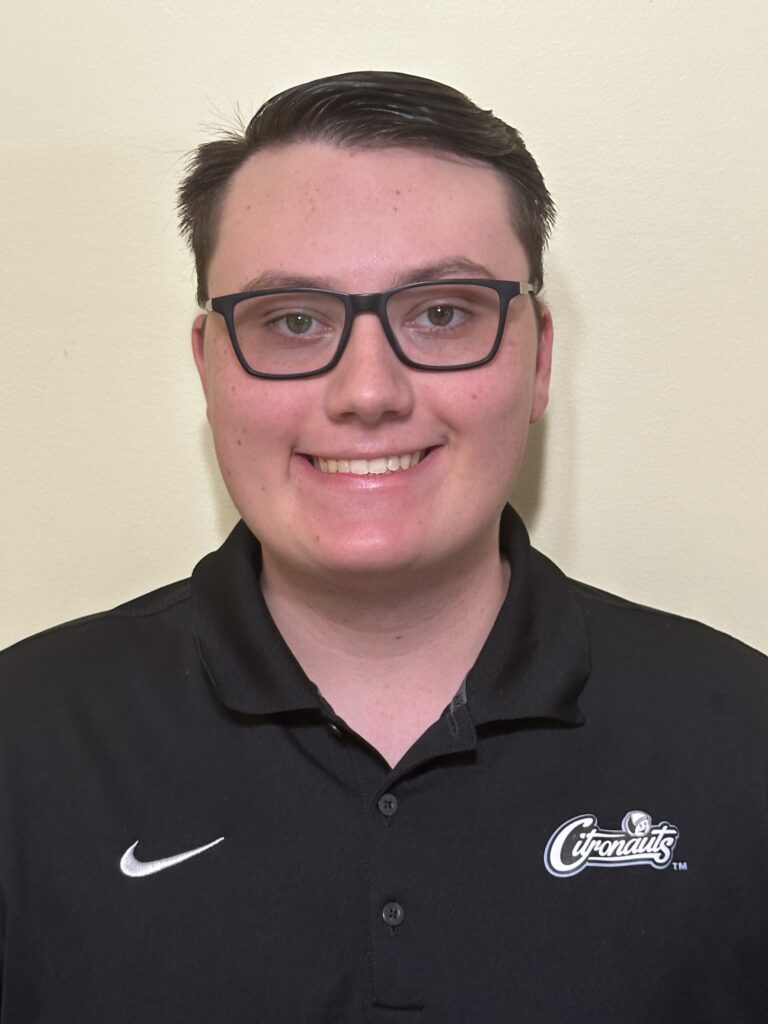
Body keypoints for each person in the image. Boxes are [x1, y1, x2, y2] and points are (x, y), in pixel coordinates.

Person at [0, 70, 766, 1023]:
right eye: (293, 322)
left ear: (538, 361)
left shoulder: (742, 741)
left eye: (441, 313)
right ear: (208, 367)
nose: (368, 391)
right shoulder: (24, 744)